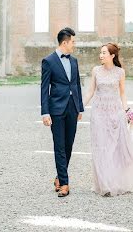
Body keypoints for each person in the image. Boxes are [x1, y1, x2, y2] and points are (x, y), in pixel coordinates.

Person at [84, 43, 133, 196]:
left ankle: (115, 181)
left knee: (114, 148)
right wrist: (80, 107)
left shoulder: (120, 72)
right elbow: (90, 91)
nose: (100, 55)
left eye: (103, 53)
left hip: (115, 112)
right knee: (101, 146)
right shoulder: (96, 71)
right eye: (100, 53)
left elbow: (122, 93)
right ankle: (104, 184)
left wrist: (126, 110)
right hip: (98, 112)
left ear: (112, 55)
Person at [41, 27, 84, 197]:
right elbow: (44, 88)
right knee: (59, 146)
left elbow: (77, 85)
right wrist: (45, 113)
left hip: (72, 108)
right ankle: (65, 184)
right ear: (65, 42)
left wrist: (80, 107)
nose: (74, 45)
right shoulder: (48, 61)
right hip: (56, 109)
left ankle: (59, 176)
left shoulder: (74, 61)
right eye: (73, 42)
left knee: (68, 146)